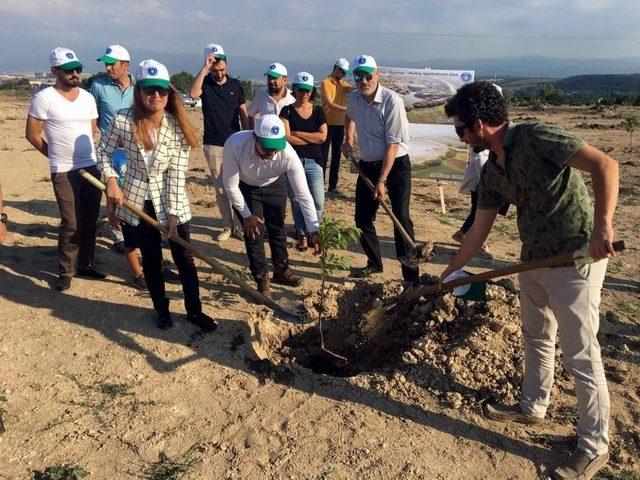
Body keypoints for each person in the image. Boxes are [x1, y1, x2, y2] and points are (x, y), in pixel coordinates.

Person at [441, 81, 619, 480]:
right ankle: (532, 408)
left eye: (461, 130)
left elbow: (605, 165)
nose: (461, 137)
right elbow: (477, 233)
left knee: (580, 354)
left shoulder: (537, 137)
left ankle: (594, 447)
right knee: (536, 336)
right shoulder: (491, 171)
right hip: (532, 261)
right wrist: (450, 272)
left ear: (481, 124)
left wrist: (603, 226)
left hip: (575, 258)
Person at [97, 59, 217, 332]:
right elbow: (102, 153)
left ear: (169, 92)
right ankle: (161, 310)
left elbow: (177, 174)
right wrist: (112, 182)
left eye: (162, 91)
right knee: (151, 259)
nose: (156, 96)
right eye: (149, 90)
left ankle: (194, 311)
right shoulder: (122, 120)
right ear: (139, 91)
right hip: (137, 199)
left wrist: (174, 214)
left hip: (170, 198)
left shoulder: (177, 127)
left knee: (184, 258)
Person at [26, 47, 105, 292]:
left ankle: (86, 264)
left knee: (90, 220)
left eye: (77, 69)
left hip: (90, 167)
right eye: (69, 70)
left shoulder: (88, 97)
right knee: (70, 222)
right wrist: (54, 155)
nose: (75, 74)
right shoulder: (44, 98)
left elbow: (92, 130)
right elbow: (32, 134)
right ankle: (66, 270)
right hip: (63, 170)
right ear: (55, 71)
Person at [341, 54, 419, 285]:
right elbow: (349, 117)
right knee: (362, 218)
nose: (363, 80)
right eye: (358, 76)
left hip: (396, 167)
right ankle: (374, 263)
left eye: (367, 75)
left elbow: (393, 144)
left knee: (400, 217)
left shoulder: (391, 101)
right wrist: (348, 139)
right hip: (367, 165)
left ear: (377, 74)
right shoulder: (354, 98)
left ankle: (410, 277)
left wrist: (382, 180)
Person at [222, 114, 320, 298]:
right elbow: (230, 186)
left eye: (276, 149)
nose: (272, 154)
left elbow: (303, 195)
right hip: (246, 187)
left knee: (277, 228)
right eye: (267, 150)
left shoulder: (288, 155)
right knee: (254, 232)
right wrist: (246, 215)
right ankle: (261, 279)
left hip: (275, 185)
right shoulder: (235, 144)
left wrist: (314, 229)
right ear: (255, 137)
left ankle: (281, 271)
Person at [91, 44, 146, 289]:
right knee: (114, 196)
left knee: (141, 198)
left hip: (137, 151)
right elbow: (92, 118)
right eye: (106, 63)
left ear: (126, 65)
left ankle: (143, 236)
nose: (108, 67)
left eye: (112, 63)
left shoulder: (140, 87)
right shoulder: (98, 86)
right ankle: (121, 238)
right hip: (112, 151)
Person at [189, 43, 248, 242]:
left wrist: (248, 133)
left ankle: (241, 226)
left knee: (237, 186)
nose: (219, 73)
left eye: (222, 69)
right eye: (215, 70)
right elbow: (193, 94)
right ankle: (227, 226)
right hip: (213, 143)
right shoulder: (205, 83)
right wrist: (205, 69)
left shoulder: (235, 85)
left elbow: (243, 111)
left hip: (236, 142)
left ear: (227, 66)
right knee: (221, 188)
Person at [280, 72, 327, 251]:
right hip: (294, 161)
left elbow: (323, 137)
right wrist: (310, 138)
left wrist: (299, 134)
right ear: (295, 90)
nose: (304, 94)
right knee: (296, 200)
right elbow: (287, 137)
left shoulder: (318, 111)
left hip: (314, 161)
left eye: (308, 90)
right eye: (301, 90)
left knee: (318, 201)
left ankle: (313, 232)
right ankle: (302, 234)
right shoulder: (287, 110)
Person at [452, 147, 493, 259]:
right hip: (482, 184)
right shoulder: (481, 147)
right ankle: (477, 244)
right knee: (481, 215)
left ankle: (462, 233)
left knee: (478, 213)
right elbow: (481, 164)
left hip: (484, 184)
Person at [321, 58, 352, 196]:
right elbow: (329, 103)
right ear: (337, 69)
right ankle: (319, 184)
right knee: (322, 156)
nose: (344, 75)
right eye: (343, 72)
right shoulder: (325, 82)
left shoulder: (344, 84)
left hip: (340, 125)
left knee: (336, 157)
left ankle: (332, 186)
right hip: (326, 124)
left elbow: (353, 89)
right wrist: (347, 109)